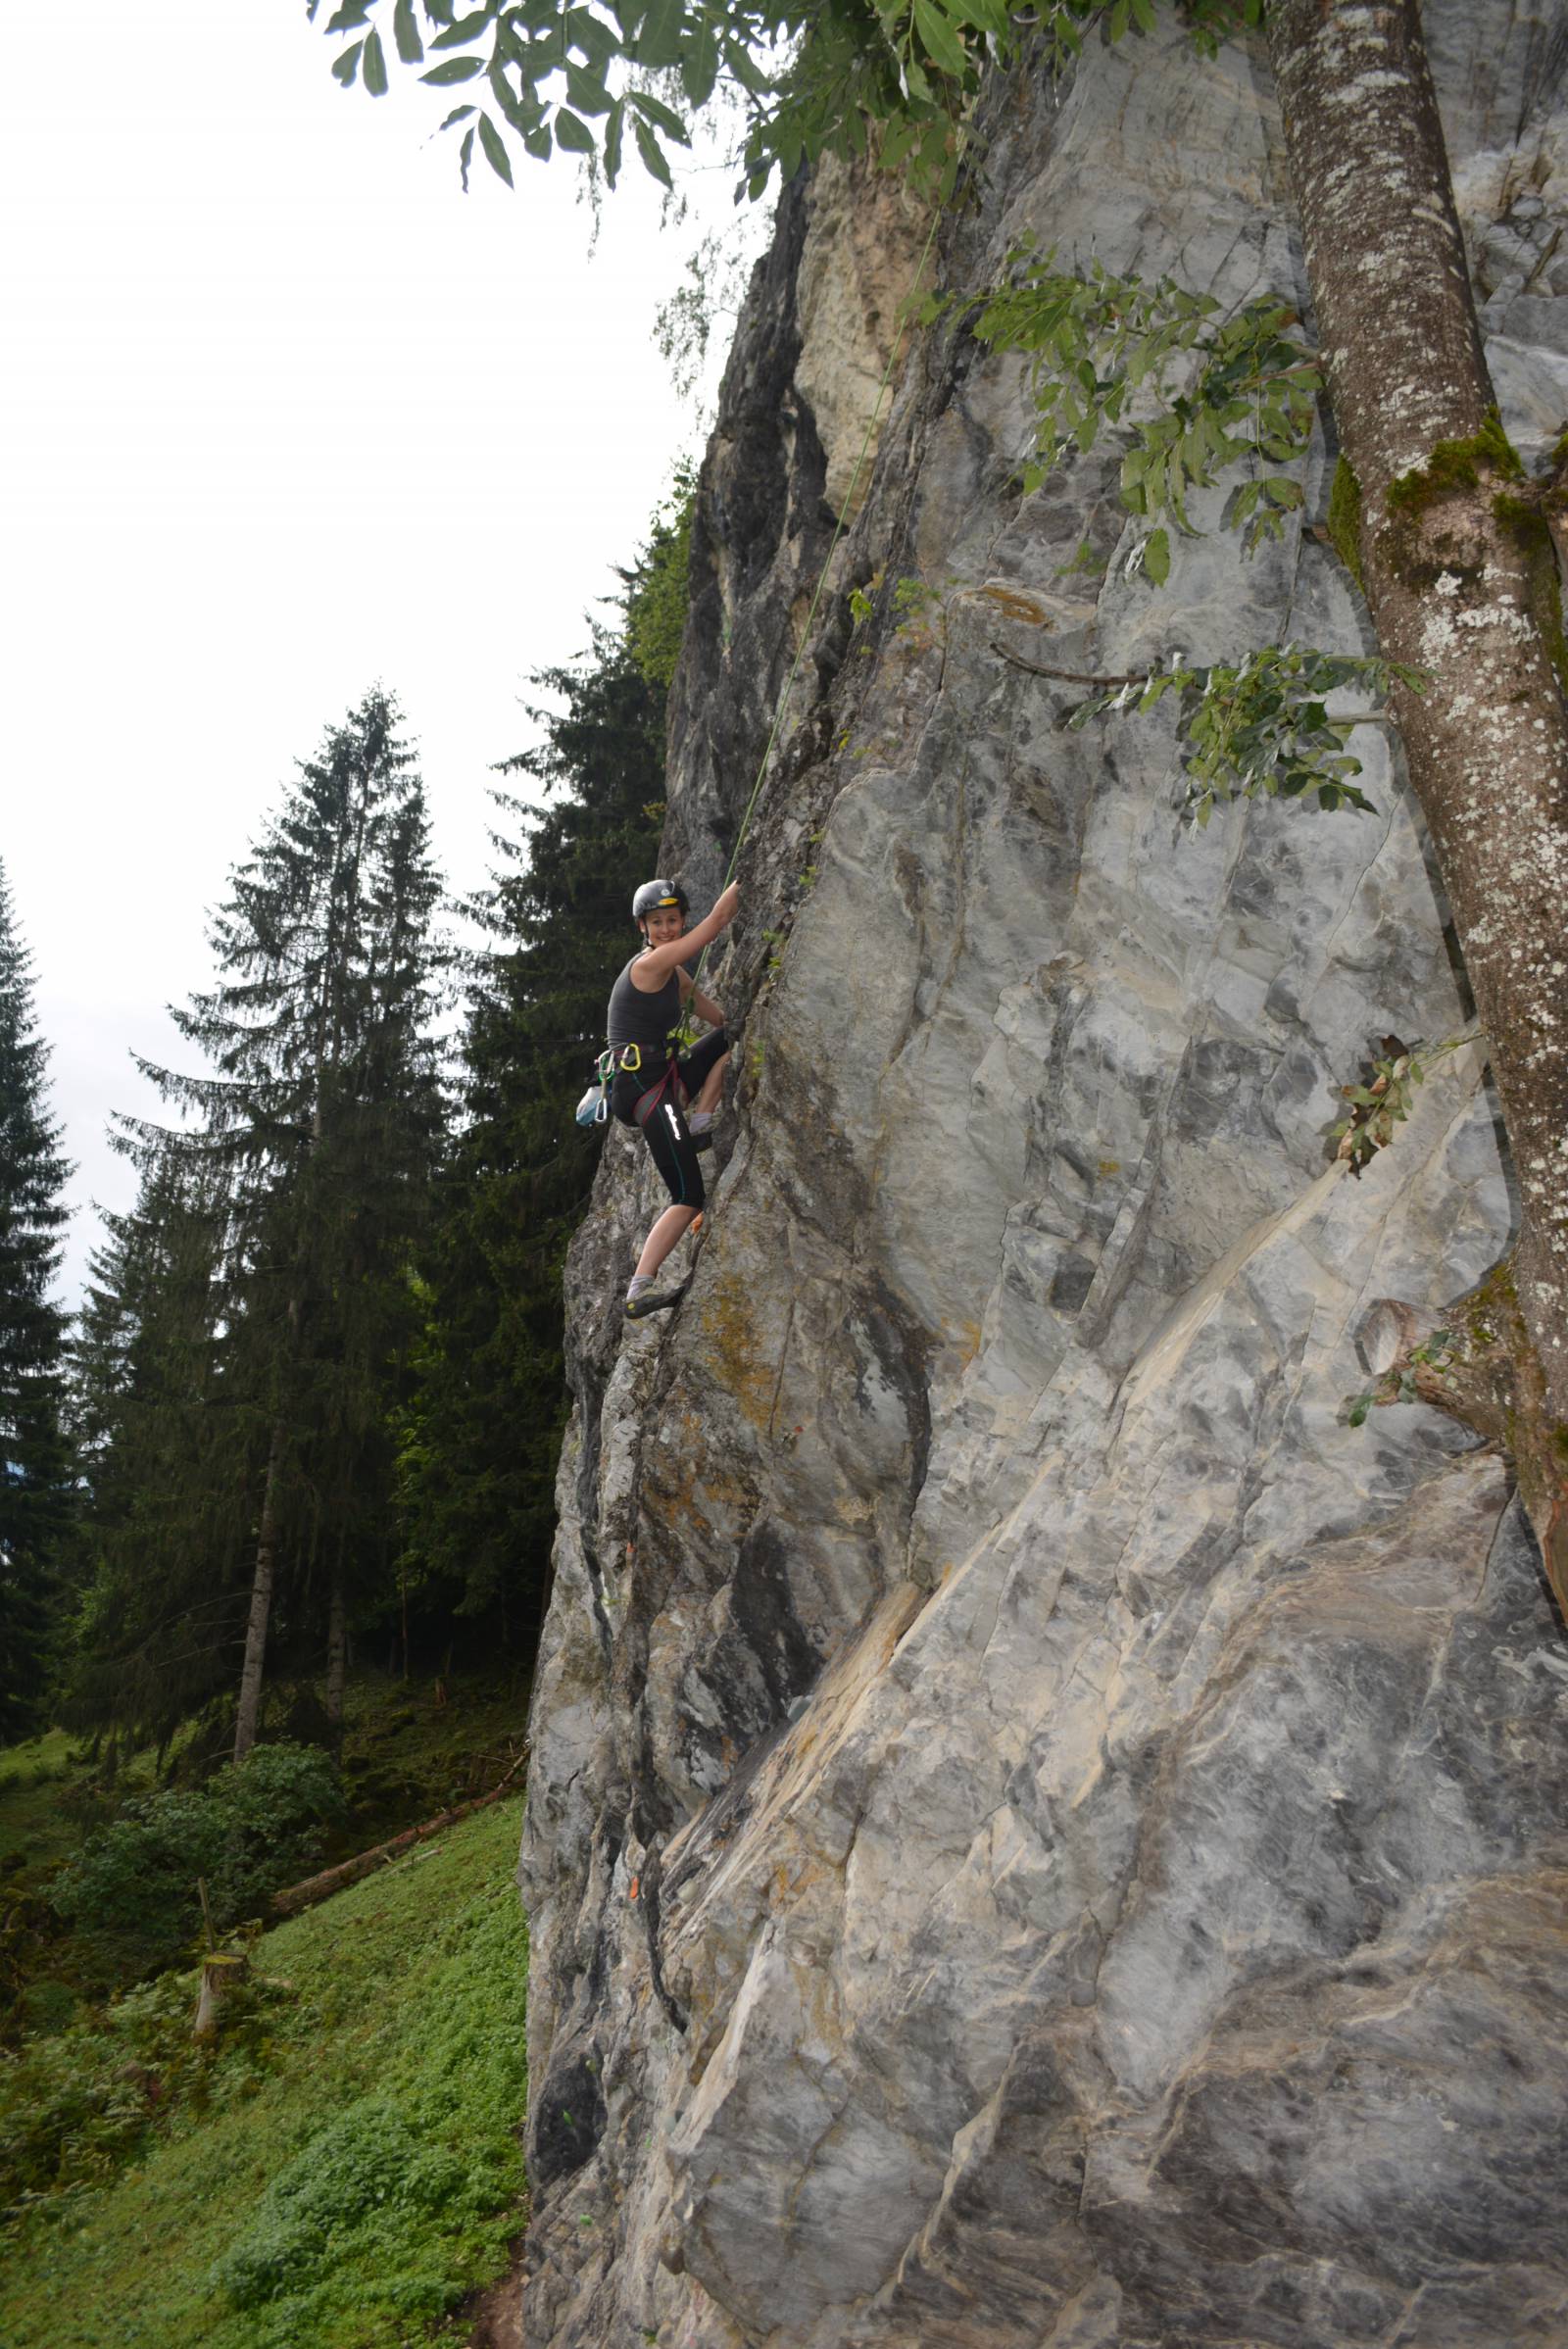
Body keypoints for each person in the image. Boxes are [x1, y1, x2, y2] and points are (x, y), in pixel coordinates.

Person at [608, 876, 738, 1318]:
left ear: (681, 920)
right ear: (643, 928)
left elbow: (712, 1014)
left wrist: (733, 1023)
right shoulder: (649, 965)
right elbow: (716, 922)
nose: (666, 928)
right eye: (657, 922)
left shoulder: (674, 975)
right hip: (641, 1088)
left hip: (663, 1076)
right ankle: (638, 1289)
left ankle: (699, 1123)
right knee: (688, 1194)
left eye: (673, 920)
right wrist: (741, 884)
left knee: (729, 1039)